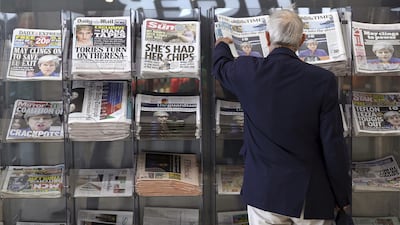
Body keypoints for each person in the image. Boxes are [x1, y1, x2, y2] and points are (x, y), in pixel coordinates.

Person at [213, 9, 351, 225]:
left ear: (267, 38)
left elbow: (220, 67)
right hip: (310, 194)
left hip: (265, 191)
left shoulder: (248, 71)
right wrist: (342, 197)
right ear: (302, 40)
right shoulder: (323, 81)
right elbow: (333, 144)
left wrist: (221, 45)